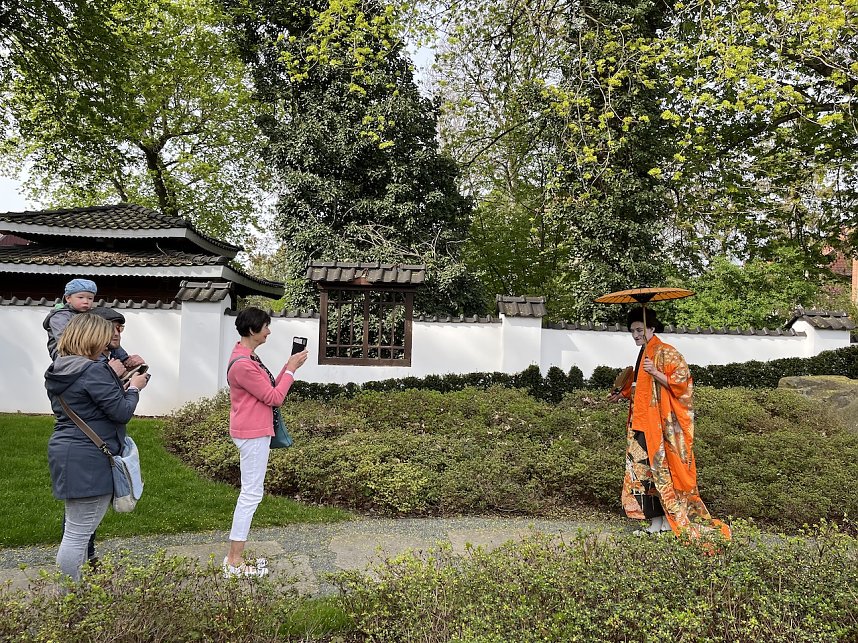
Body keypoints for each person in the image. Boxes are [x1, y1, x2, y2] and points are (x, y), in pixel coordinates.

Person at [608, 307, 730, 540]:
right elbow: (641, 390)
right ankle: (656, 522)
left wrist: (656, 372)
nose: (635, 334)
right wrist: (622, 395)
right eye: (632, 331)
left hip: (660, 427)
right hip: (641, 424)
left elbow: (683, 385)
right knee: (644, 475)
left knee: (663, 473)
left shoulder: (667, 353)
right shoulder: (644, 353)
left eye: (639, 329)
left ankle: (668, 521)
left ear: (652, 328)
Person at [45, 314, 150, 582]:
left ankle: (73, 594)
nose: (109, 347)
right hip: (89, 456)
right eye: (106, 340)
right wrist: (134, 388)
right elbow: (121, 411)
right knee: (77, 534)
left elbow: (90, 404)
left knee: (76, 530)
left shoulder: (61, 368)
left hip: (69, 450)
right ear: (92, 338)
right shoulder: (93, 369)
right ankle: (68, 600)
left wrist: (119, 385)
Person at [223, 306, 307, 578]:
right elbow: (274, 398)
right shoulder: (244, 364)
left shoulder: (248, 357)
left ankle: (235, 558)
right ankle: (234, 561)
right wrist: (291, 372)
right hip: (252, 433)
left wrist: (288, 365)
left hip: (254, 431)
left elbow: (269, 388)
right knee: (250, 495)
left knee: (251, 493)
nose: (269, 331)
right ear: (252, 330)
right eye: (265, 327)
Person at [43, 278, 97, 359]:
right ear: (68, 298)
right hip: (64, 356)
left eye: (90, 298)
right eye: (81, 297)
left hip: (88, 355)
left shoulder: (94, 316)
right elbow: (65, 340)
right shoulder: (60, 316)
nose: (86, 301)